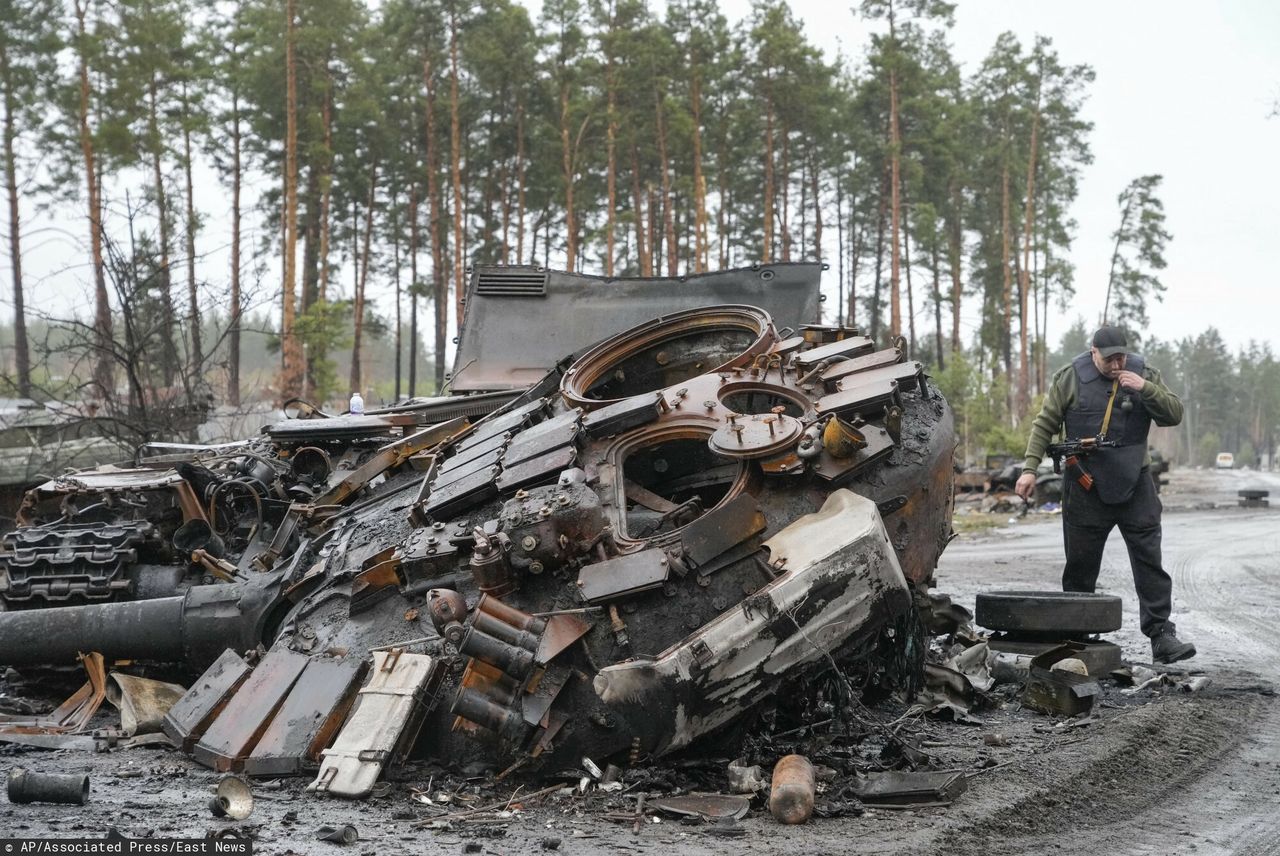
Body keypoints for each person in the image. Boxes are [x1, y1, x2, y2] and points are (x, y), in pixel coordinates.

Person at [1015, 325, 1195, 664]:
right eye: (1109, 358)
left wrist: (1145, 388)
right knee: (1081, 566)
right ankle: (1078, 637)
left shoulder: (1144, 374)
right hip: (1085, 484)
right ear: (1093, 353)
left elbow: (1174, 414)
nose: (1117, 364)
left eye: (1121, 357)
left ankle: (1161, 635)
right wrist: (1029, 469)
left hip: (1135, 482)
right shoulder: (1070, 378)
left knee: (1149, 561)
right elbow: (1045, 423)